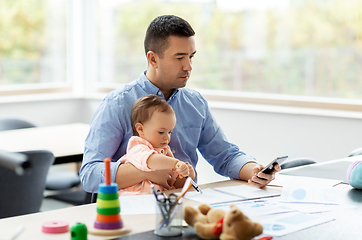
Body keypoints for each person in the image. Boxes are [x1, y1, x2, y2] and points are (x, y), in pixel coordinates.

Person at [80, 15, 280, 193]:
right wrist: (148, 171)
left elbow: (225, 156)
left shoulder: (195, 103)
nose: (189, 66)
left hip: (187, 204)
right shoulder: (117, 104)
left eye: (191, 56)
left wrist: (253, 171)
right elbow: (90, 175)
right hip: (135, 208)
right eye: (179, 58)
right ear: (153, 59)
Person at [118, 94, 195, 195]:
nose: (167, 137)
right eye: (161, 132)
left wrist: (187, 174)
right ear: (141, 129)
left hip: (157, 199)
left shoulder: (165, 151)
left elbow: (173, 182)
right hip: (133, 199)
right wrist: (176, 163)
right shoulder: (137, 146)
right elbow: (150, 161)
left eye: (170, 132)